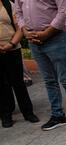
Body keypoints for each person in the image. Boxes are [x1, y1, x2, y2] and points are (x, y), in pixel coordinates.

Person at [14, 0, 66, 132]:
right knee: (49, 81)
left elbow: (65, 10)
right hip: (33, 41)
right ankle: (58, 116)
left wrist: (47, 33)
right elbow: (18, 12)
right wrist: (24, 30)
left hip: (55, 38)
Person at [0, 0, 38, 128]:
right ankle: (6, 115)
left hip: (13, 49)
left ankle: (28, 112)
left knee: (18, 83)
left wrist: (10, 44)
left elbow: (20, 28)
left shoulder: (8, 4)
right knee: (2, 85)